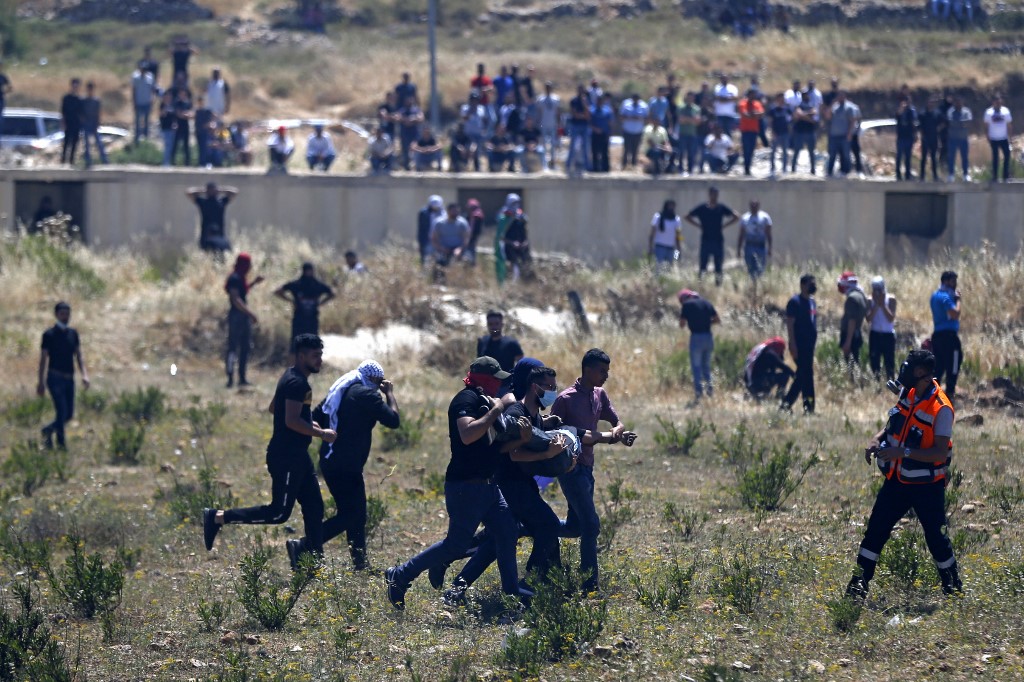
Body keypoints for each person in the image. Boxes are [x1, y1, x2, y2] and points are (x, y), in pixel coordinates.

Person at [385, 357, 524, 610]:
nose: (500, 386)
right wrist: (497, 409)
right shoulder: (466, 400)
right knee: (457, 544)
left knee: (507, 531)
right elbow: (468, 434)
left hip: (490, 487)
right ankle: (401, 575)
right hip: (466, 486)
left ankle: (511, 595)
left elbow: (495, 444)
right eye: (496, 380)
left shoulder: (484, 399)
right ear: (485, 379)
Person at [439, 365, 572, 603]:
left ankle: (457, 587)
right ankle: (529, 583)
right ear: (535, 387)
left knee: (499, 539)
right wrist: (547, 453)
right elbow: (510, 453)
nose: (553, 392)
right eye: (550, 387)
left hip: (521, 484)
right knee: (549, 525)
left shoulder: (536, 417)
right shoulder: (516, 413)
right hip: (509, 484)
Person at [203, 334, 336, 568]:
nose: (320, 361)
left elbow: (276, 408)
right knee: (278, 514)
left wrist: (313, 426)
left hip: (298, 456)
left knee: (315, 507)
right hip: (287, 458)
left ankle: (312, 561)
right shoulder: (298, 383)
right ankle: (217, 517)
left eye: (321, 355)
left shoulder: (290, 375)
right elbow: (292, 421)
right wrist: (322, 434)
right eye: (315, 356)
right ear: (301, 355)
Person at [845, 349, 962, 601]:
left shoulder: (941, 408)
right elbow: (892, 424)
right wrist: (876, 440)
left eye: (909, 368)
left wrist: (903, 452)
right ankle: (856, 589)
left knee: (936, 539)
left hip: (927, 486)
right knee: (875, 531)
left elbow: (940, 453)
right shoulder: (907, 392)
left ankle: (954, 591)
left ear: (922, 373)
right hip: (897, 481)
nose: (903, 371)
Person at [288, 360, 399, 570]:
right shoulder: (367, 395)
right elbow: (393, 420)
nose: (380, 385)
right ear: (374, 379)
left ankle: (360, 563)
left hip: (331, 461)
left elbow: (315, 416)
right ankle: (303, 545)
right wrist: (390, 393)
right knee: (352, 514)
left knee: (354, 513)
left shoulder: (341, 390)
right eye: (379, 381)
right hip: (345, 465)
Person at [551, 348, 633, 593]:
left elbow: (615, 421)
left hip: (588, 468)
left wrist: (620, 431)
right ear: (587, 370)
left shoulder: (599, 394)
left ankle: (533, 525)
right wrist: (609, 437)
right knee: (591, 525)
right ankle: (590, 585)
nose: (605, 376)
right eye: (601, 371)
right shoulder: (565, 399)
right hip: (570, 469)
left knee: (575, 527)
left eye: (607, 371)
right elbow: (553, 434)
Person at [37, 302, 90, 450]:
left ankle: (47, 431)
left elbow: (79, 356)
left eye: (67, 313)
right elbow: (43, 359)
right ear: (56, 315)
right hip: (54, 378)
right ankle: (61, 445)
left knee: (68, 414)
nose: (65, 316)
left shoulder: (73, 334)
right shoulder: (49, 334)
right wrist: (40, 382)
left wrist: (85, 375)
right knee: (61, 410)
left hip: (69, 378)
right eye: (62, 313)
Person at [224, 253, 265, 388]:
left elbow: (243, 292)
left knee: (244, 347)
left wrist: (253, 283)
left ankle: (242, 378)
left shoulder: (239, 278)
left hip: (241, 316)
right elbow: (236, 299)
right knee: (233, 348)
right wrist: (250, 313)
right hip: (237, 316)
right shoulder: (235, 278)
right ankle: (230, 378)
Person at [686, 186, 738, 286]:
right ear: (709, 195)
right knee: (703, 266)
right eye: (713, 194)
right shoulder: (702, 208)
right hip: (706, 240)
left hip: (718, 240)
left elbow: (736, 216)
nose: (715, 196)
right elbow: (687, 216)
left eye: (716, 194)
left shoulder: (721, 208)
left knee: (718, 266)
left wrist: (725, 225)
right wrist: (698, 225)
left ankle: (718, 286)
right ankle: (700, 285)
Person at [781, 274, 818, 413]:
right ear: (803, 285)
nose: (813, 286)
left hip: (810, 346)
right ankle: (786, 405)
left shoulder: (812, 302)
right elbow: (790, 324)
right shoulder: (794, 302)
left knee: (806, 374)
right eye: (810, 283)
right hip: (799, 345)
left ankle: (808, 408)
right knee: (803, 374)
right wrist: (792, 344)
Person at [275, 262, 335, 342]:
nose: (309, 272)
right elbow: (278, 291)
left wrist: (321, 303)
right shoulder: (296, 284)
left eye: (310, 270)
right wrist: (291, 301)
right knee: (296, 345)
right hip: (299, 319)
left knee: (312, 345)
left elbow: (332, 294)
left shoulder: (317, 285)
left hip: (312, 319)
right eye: (308, 270)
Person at [678, 289, 720, 400]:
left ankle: (699, 394)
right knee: (706, 367)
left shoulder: (686, 305)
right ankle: (710, 392)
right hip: (708, 337)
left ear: (684, 299)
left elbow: (682, 324)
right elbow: (717, 320)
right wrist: (706, 322)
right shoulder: (707, 303)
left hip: (696, 338)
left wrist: (691, 322)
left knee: (696, 367)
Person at [930, 270, 962, 399]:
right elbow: (955, 313)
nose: (955, 284)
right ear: (946, 281)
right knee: (953, 363)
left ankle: (932, 395)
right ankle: (950, 393)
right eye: (953, 281)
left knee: (939, 366)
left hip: (937, 336)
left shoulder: (934, 296)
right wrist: (959, 300)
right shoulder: (945, 297)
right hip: (949, 337)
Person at [187, 182, 238, 253]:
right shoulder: (202, 202)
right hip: (206, 233)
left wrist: (220, 190)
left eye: (213, 190)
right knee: (206, 251)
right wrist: (204, 190)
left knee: (221, 252)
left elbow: (235, 192)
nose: (212, 192)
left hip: (219, 233)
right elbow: (189, 192)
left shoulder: (221, 201)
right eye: (210, 190)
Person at [867, 276, 897, 381]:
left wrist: (883, 305)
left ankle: (891, 383)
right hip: (875, 334)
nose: (877, 292)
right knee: (874, 361)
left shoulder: (891, 299)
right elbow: (868, 319)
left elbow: (890, 318)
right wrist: (876, 305)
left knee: (889, 362)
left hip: (888, 334)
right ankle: (876, 383)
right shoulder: (870, 300)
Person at [837, 271, 868, 368]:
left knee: (851, 364)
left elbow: (852, 321)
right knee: (855, 361)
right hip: (857, 333)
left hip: (850, 335)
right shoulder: (861, 295)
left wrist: (848, 342)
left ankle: (853, 382)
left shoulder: (851, 298)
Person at [736, 200, 773, 281]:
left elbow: (768, 233)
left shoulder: (765, 217)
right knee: (750, 267)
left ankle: (759, 283)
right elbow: (741, 235)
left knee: (760, 267)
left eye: (755, 205)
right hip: (749, 246)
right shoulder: (745, 218)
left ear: (758, 206)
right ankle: (752, 284)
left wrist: (770, 247)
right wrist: (739, 249)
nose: (754, 207)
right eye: (752, 206)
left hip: (760, 246)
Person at [827, 91, 858, 177]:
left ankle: (846, 171)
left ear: (844, 97)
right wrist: (831, 105)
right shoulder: (835, 107)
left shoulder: (849, 107)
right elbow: (828, 116)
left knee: (845, 154)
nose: (840, 98)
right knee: (832, 154)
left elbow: (852, 121)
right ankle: (829, 172)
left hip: (844, 135)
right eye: (839, 96)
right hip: (834, 136)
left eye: (842, 96)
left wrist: (849, 133)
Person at [431, 203, 471, 268]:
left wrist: (460, 249)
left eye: (457, 211)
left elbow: (466, 239)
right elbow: (434, 238)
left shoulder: (462, 223)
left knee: (468, 261)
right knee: (439, 262)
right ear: (448, 211)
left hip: (458, 249)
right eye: (453, 211)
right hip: (443, 249)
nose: (455, 213)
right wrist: (441, 249)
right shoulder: (439, 223)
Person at [984, 95, 1013, 182]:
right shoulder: (988, 112)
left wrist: (1010, 137)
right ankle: (995, 177)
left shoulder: (1005, 111)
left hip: (1003, 138)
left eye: (999, 102)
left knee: (1007, 155)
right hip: (994, 138)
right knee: (995, 157)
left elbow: (1009, 125)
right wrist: (987, 136)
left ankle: (1005, 176)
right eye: (996, 102)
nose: (998, 104)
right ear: (993, 103)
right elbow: (986, 125)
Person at [502, 197, 531, 280]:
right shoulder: (504, 216)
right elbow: (501, 236)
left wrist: (525, 242)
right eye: (513, 203)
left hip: (522, 246)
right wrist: (511, 243)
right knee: (513, 266)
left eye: (517, 203)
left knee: (525, 264)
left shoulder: (522, 217)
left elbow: (525, 232)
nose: (516, 205)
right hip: (509, 247)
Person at [648, 200, 682, 271]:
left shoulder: (676, 219)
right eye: (669, 206)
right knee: (658, 268)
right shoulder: (658, 217)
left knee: (669, 268)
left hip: (671, 248)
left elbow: (678, 235)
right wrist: (650, 247)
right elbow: (652, 233)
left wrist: (679, 249)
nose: (671, 208)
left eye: (673, 206)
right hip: (660, 247)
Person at [566, 84, 591, 176]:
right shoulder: (574, 100)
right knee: (572, 146)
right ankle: (568, 165)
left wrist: (584, 104)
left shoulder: (587, 100)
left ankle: (587, 166)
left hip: (584, 126)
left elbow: (588, 115)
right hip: (575, 125)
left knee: (586, 147)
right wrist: (583, 116)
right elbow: (574, 114)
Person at [737, 89, 764, 176]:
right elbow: (745, 115)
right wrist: (754, 115)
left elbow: (761, 114)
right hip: (745, 130)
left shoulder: (757, 104)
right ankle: (746, 168)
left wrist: (752, 115)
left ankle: (748, 168)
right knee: (746, 150)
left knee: (751, 150)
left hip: (754, 131)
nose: (752, 97)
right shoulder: (743, 103)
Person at [790, 91, 818, 174]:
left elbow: (813, 112)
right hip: (800, 132)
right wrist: (809, 118)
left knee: (811, 152)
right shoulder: (799, 106)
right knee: (797, 151)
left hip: (810, 132)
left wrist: (803, 116)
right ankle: (793, 169)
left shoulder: (811, 105)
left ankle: (813, 169)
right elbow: (799, 114)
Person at [947, 96, 972, 182]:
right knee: (951, 157)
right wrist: (961, 123)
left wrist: (959, 123)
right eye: (957, 102)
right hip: (953, 138)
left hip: (963, 138)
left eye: (960, 101)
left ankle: (965, 175)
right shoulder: (950, 111)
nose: (958, 103)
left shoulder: (966, 111)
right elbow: (950, 122)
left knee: (965, 157)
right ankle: (951, 175)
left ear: (962, 102)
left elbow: (968, 122)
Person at [619, 93, 648, 170]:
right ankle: (624, 165)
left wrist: (639, 118)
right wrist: (630, 117)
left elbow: (646, 118)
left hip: (638, 130)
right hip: (627, 130)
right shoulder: (626, 104)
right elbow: (621, 116)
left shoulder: (644, 105)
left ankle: (634, 165)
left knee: (635, 149)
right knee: (626, 148)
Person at [536, 81, 561, 171]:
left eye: (549, 87)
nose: (548, 89)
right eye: (546, 87)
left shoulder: (556, 99)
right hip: (543, 124)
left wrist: (559, 123)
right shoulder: (540, 99)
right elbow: (539, 113)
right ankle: (544, 163)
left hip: (553, 124)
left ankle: (553, 162)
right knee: (543, 145)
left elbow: (558, 112)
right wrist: (538, 123)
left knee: (553, 144)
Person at [676, 91, 702, 175]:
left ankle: (690, 170)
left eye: (691, 97)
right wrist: (692, 119)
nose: (690, 99)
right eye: (689, 97)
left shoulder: (697, 108)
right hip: (683, 133)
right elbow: (681, 120)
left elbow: (697, 122)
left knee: (691, 153)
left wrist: (687, 119)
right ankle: (680, 170)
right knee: (681, 152)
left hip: (692, 134)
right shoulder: (681, 108)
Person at [918, 96, 943, 182]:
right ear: (927, 103)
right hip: (925, 138)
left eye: (932, 103)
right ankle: (922, 176)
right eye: (929, 102)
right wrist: (921, 135)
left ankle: (935, 176)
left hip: (934, 138)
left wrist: (938, 129)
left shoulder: (937, 113)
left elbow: (943, 122)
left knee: (933, 157)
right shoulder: (922, 113)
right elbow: (919, 126)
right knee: (924, 158)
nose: (930, 104)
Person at [767, 92, 792, 177]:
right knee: (773, 152)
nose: (782, 100)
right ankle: (772, 169)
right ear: (777, 100)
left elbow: (791, 119)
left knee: (785, 152)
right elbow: (770, 122)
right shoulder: (773, 110)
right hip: (776, 133)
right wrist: (772, 132)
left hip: (785, 133)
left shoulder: (787, 109)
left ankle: (784, 169)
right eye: (780, 99)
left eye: (783, 99)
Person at [894, 95, 918, 181]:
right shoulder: (899, 110)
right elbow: (896, 117)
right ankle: (898, 174)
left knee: (908, 157)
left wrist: (915, 135)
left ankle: (907, 175)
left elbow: (914, 123)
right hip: (901, 137)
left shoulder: (911, 111)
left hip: (909, 136)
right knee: (899, 156)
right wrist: (901, 109)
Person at [131, 66, 156, 144]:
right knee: (138, 122)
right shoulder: (135, 77)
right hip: (139, 102)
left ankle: (146, 139)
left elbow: (152, 89)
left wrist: (152, 99)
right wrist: (134, 102)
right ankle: (137, 139)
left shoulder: (150, 77)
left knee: (147, 121)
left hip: (147, 102)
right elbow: (133, 90)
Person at [60, 79, 83, 165]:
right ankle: (63, 161)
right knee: (66, 142)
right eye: (74, 86)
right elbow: (63, 111)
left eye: (77, 86)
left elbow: (81, 113)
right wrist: (63, 122)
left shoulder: (79, 99)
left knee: (74, 143)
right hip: (68, 123)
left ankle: (71, 161)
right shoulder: (66, 98)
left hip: (76, 124)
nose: (75, 87)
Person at [417, 194, 444, 266]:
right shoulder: (424, 213)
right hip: (427, 241)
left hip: (439, 241)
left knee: (439, 261)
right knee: (427, 261)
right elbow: (421, 229)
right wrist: (421, 243)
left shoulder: (443, 214)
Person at [590, 94, 613, 173]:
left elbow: (610, 123)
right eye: (598, 100)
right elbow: (589, 123)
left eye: (600, 100)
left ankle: (605, 168)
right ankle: (595, 168)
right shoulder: (592, 110)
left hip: (604, 134)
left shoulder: (607, 110)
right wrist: (595, 129)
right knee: (595, 151)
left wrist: (609, 133)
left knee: (605, 152)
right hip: (595, 134)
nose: (599, 102)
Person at [172, 86, 193, 166]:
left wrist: (185, 114)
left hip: (185, 125)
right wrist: (184, 114)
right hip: (178, 125)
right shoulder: (176, 103)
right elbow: (178, 114)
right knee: (175, 144)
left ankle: (187, 162)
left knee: (186, 145)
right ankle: (173, 161)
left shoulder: (188, 103)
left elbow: (191, 114)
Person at [193, 95, 214, 168]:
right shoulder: (197, 111)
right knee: (200, 148)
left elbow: (210, 120)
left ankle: (206, 162)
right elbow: (196, 122)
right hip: (199, 131)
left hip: (205, 132)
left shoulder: (207, 111)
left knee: (205, 148)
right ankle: (201, 163)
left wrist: (207, 125)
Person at [464, 198, 485, 265]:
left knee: (470, 252)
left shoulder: (476, 215)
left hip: (472, 237)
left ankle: (471, 265)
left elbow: (473, 228)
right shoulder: (473, 215)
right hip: (470, 237)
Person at [159, 92, 177, 166]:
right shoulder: (162, 105)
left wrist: (175, 124)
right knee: (167, 145)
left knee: (170, 146)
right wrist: (165, 109)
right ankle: (165, 162)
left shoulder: (172, 106)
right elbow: (161, 114)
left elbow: (174, 116)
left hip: (171, 128)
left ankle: (168, 161)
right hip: (165, 128)